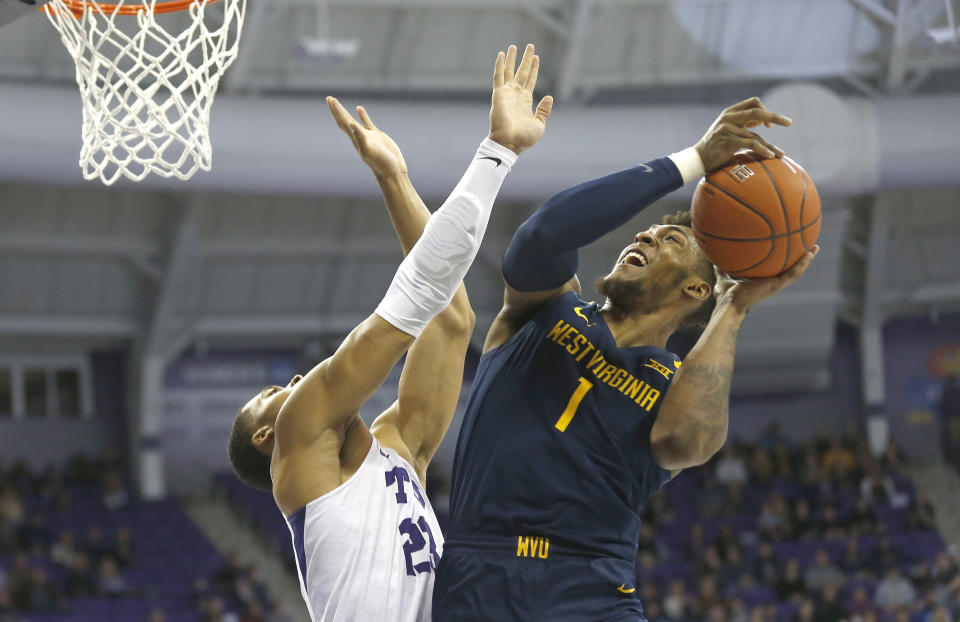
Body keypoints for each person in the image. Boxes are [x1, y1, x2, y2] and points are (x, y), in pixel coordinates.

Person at [433, 97, 817, 620]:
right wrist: (693, 161)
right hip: (481, 570)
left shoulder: (676, 387)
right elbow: (543, 233)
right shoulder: (545, 308)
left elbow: (687, 442)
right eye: (648, 232)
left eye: (670, 239)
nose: (645, 235)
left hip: (591, 585)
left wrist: (735, 306)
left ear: (697, 288)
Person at [226, 44, 552, 622]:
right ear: (266, 438)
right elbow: (413, 301)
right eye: (273, 395)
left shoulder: (397, 449)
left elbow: (449, 317)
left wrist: (395, 177)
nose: (296, 382)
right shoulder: (296, 440)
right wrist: (498, 151)